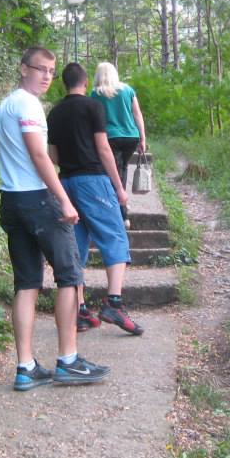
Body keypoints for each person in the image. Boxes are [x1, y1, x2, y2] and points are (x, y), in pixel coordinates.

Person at [0, 47, 110, 389]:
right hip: (37, 200)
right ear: (22, 68)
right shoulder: (27, 104)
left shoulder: (5, 105)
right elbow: (39, 155)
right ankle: (68, 360)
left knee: (27, 283)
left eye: (51, 70)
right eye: (39, 69)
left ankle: (26, 367)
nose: (46, 76)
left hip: (11, 200)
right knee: (70, 277)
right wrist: (64, 200)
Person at [47, 62, 144, 336]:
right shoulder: (92, 106)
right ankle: (114, 303)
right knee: (115, 237)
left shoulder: (54, 113)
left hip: (65, 182)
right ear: (85, 81)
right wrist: (118, 188)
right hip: (94, 181)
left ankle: (80, 311)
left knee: (76, 246)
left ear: (63, 83)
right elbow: (103, 148)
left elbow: (52, 155)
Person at [89, 62, 147, 224]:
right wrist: (143, 138)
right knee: (122, 169)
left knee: (113, 173)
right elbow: (137, 115)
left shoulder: (95, 94)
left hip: (109, 138)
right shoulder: (128, 90)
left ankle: (121, 214)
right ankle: (122, 208)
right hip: (130, 136)